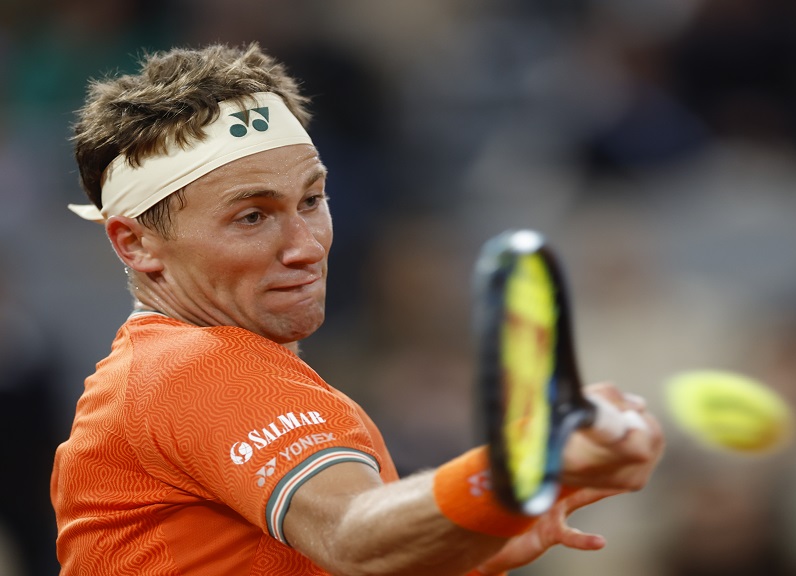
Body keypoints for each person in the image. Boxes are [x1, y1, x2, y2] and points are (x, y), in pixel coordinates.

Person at [50, 43, 663, 576]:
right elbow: (353, 534)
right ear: (136, 243)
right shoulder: (195, 366)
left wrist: (472, 538)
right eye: (252, 216)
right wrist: (513, 473)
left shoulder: (176, 378)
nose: (306, 245)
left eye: (312, 199)